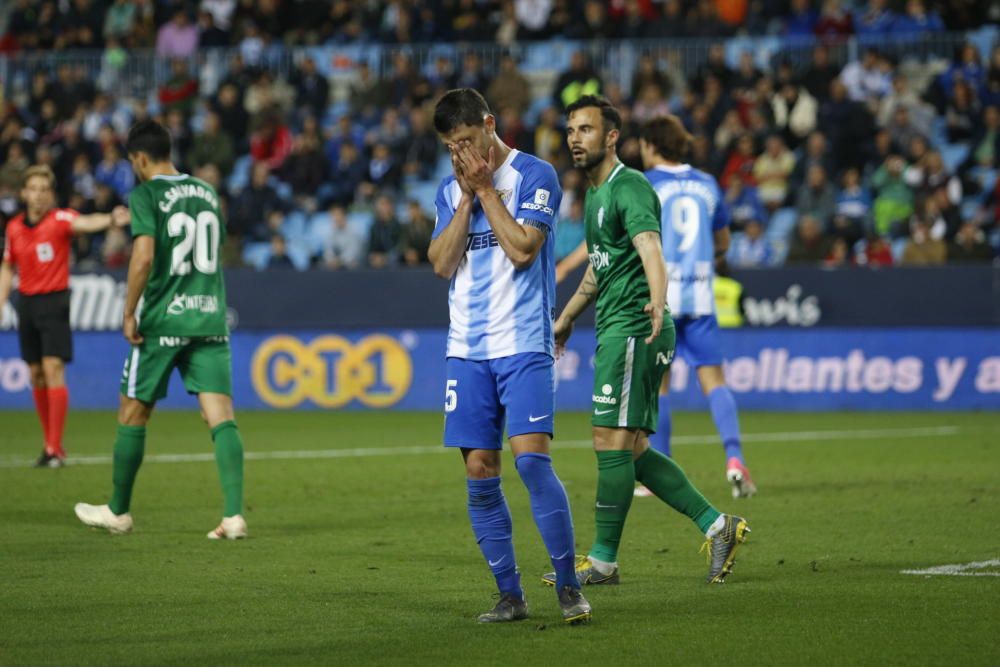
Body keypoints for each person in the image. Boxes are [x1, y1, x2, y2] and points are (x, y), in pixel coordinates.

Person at [548, 96, 749, 589]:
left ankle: (602, 562)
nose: (576, 137)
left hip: (636, 327)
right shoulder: (596, 197)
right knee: (632, 448)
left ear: (612, 137)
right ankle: (718, 525)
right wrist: (569, 317)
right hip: (618, 326)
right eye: (572, 129)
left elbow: (650, 248)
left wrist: (658, 301)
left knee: (609, 441)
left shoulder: (630, 186)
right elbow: (601, 268)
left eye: (587, 129)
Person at [427, 88, 590, 625]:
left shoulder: (536, 175)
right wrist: (468, 198)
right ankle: (510, 595)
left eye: (468, 141)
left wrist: (486, 190)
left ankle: (568, 585)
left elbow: (523, 250)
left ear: (490, 125)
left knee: (531, 460)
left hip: (523, 342)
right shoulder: (450, 193)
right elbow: (441, 265)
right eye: (452, 147)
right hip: (467, 350)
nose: (462, 155)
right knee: (479, 467)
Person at [74, 120, 247, 540]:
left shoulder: (146, 193)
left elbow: (143, 258)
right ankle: (233, 516)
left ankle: (118, 511)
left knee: (133, 410)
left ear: (138, 159)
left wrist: (129, 311)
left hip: (163, 319)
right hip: (208, 316)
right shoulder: (207, 193)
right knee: (220, 417)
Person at [639, 114, 757, 498]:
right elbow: (723, 241)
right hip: (702, 295)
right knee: (714, 382)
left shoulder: (646, 184)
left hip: (662, 297)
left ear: (652, 146)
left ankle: (661, 474)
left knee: (659, 386)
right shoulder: (708, 184)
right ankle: (735, 459)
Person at [0, 165, 129, 467]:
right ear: (23, 193)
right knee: (36, 374)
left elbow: (85, 222)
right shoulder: (14, 227)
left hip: (55, 301)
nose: (38, 195)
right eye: (33, 189)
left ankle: (55, 448)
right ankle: (48, 445)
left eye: (44, 190)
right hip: (27, 304)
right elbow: (8, 267)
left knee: (53, 366)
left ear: (51, 194)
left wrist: (111, 218)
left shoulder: (60, 220)